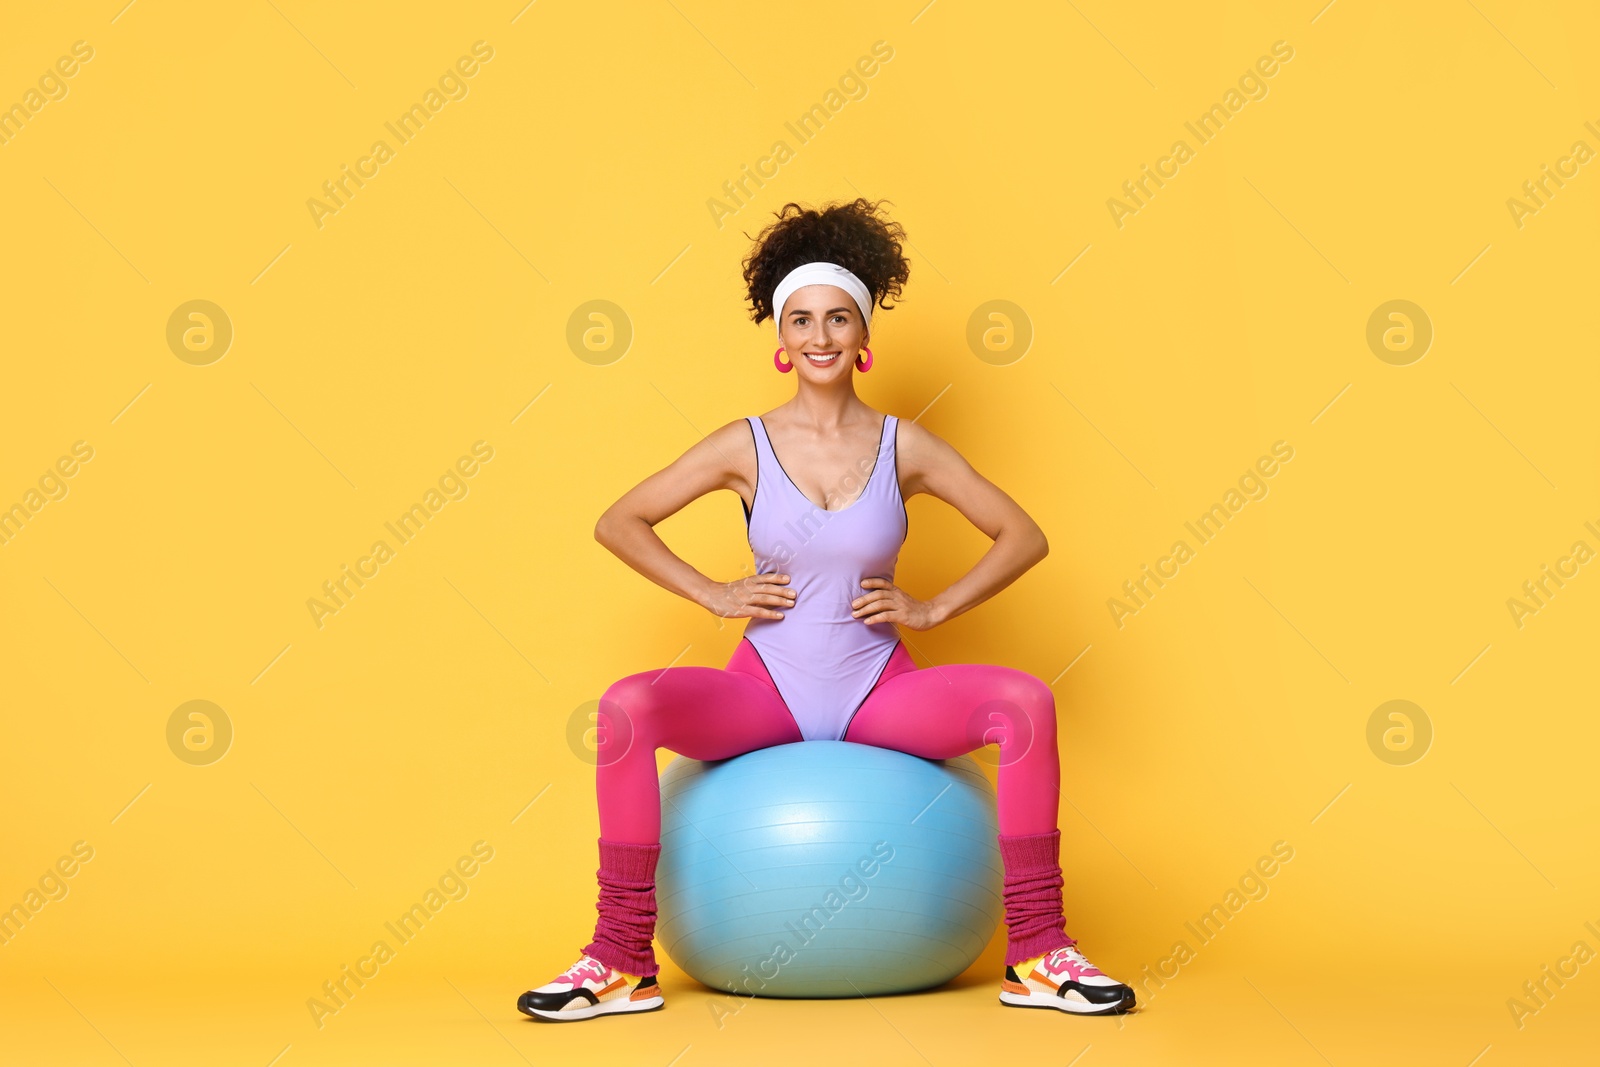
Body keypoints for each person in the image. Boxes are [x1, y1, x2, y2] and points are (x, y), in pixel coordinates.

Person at [518, 198, 1135, 1022]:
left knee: (1025, 703)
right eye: (801, 320)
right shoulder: (743, 444)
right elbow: (618, 520)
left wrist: (935, 606)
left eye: (838, 318)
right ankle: (620, 959)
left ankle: (1039, 953)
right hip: (766, 687)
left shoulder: (903, 445)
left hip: (877, 686)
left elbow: (1022, 534)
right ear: (779, 339)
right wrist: (712, 591)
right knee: (628, 708)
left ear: (862, 334)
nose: (819, 336)